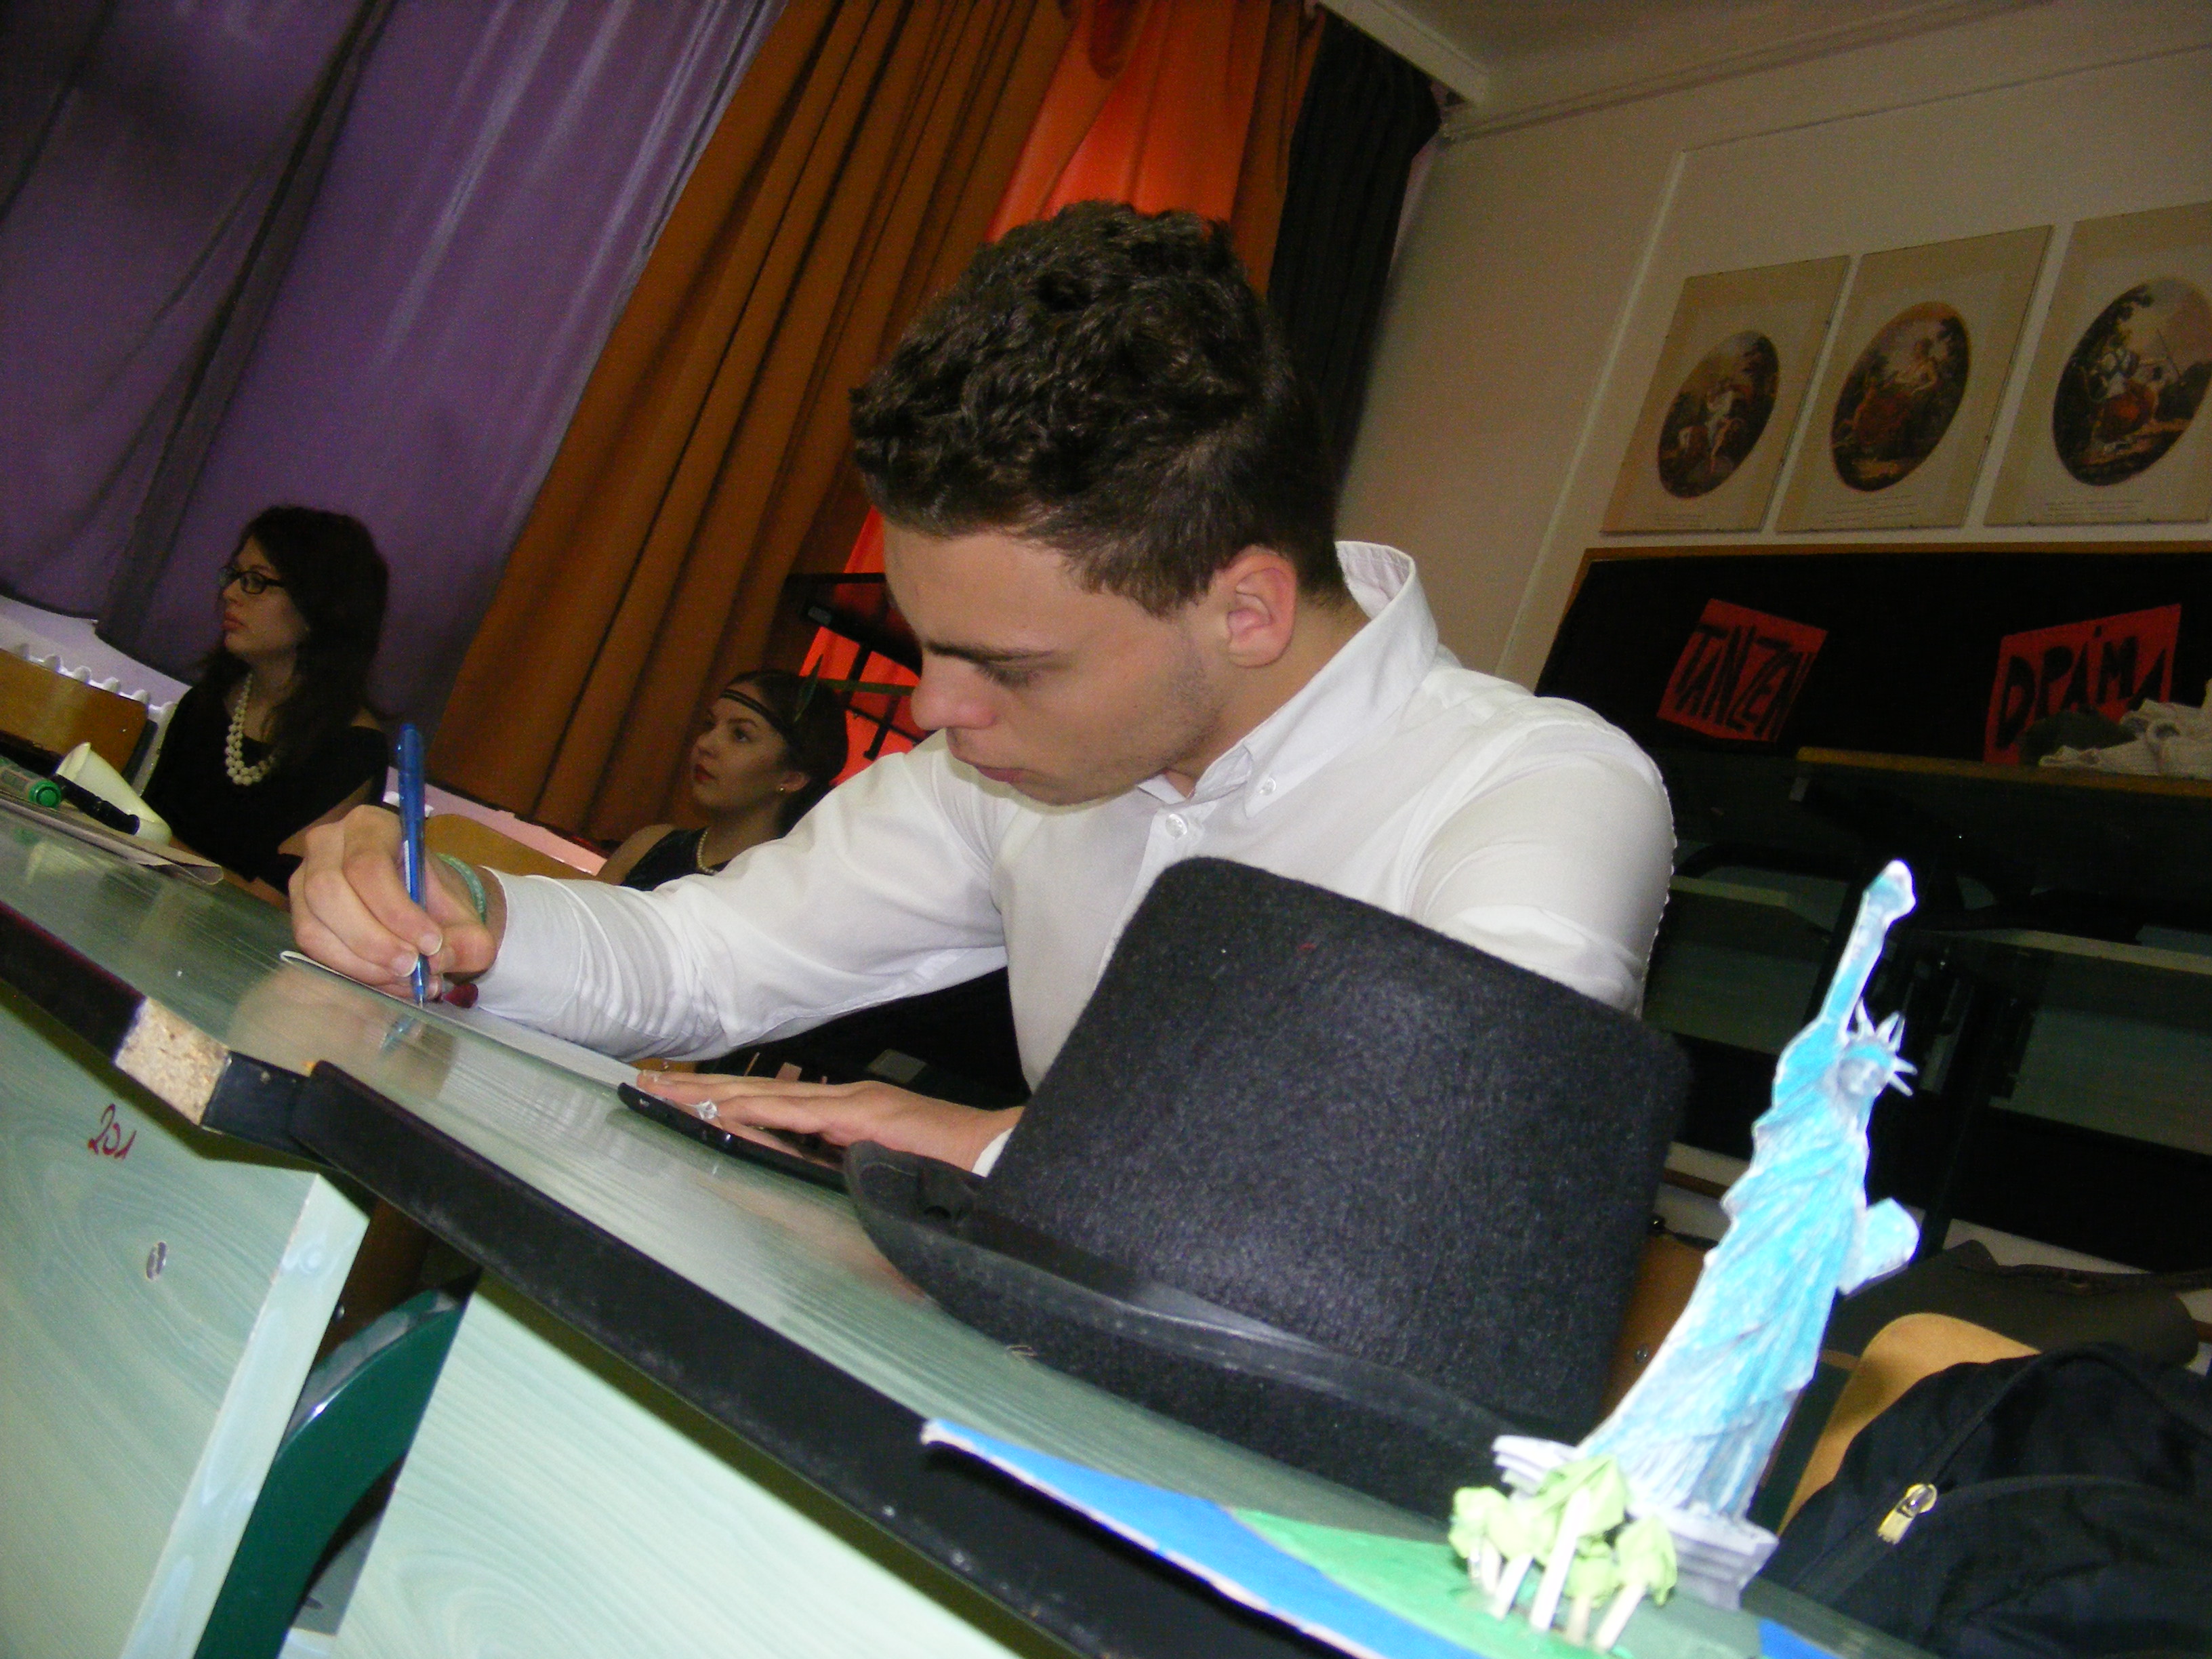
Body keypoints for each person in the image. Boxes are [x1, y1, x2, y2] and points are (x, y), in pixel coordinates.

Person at [290, 203, 1673, 1176]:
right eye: (927, 645)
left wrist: (992, 1146)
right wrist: (469, 918)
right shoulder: (1011, 771)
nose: (933, 711)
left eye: (1008, 665)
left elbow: (1429, 1165)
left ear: (1244, 608)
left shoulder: (1541, 793)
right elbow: (707, 961)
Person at [146, 506, 389, 893]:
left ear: (319, 607)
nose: (230, 593)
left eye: (256, 582)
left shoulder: (353, 750)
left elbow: (273, 900)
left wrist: (147, 842)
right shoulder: (205, 703)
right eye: (235, 576)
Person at [595, 670, 848, 889]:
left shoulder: (777, 888)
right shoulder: (649, 845)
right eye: (709, 725)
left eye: (740, 735)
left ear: (792, 777)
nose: (705, 744)